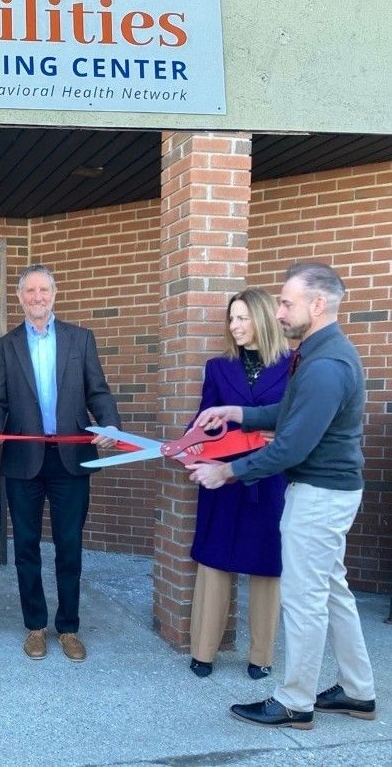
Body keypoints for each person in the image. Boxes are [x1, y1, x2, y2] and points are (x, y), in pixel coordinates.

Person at [189, 262, 376, 730]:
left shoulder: (327, 364)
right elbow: (287, 409)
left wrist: (228, 471)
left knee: (305, 600)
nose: (281, 312)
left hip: (319, 495)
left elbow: (293, 443)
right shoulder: (316, 354)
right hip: (328, 492)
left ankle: (295, 701)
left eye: (288, 303)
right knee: (333, 593)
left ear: (318, 304)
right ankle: (358, 690)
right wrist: (238, 412)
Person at [0, 264, 120, 662]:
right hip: (23, 462)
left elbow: (98, 391)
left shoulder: (80, 339)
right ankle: (35, 626)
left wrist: (110, 423)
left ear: (55, 294)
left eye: (44, 290)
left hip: (70, 460)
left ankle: (69, 626)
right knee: (26, 547)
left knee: (69, 546)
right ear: (20, 297)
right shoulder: (5, 346)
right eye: (30, 291)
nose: (37, 298)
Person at [186, 288, 290, 680]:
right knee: (214, 561)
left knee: (268, 566)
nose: (235, 326)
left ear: (263, 318)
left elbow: (297, 420)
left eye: (243, 318)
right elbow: (202, 420)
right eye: (232, 319)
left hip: (270, 477)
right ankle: (203, 651)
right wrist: (185, 446)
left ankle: (261, 656)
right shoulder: (218, 367)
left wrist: (278, 436)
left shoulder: (293, 364)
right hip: (220, 477)